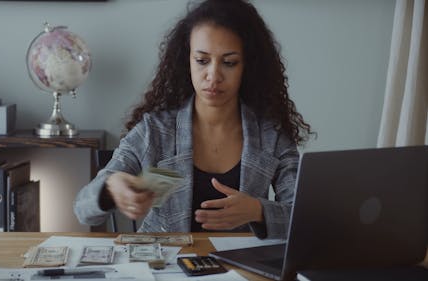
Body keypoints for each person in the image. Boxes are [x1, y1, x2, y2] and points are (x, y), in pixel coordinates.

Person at [74, 0, 312, 239]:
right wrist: (111, 188)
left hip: (241, 271)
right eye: (202, 60)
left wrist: (258, 211)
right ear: (186, 61)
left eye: (229, 62)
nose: (213, 75)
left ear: (248, 67)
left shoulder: (271, 135)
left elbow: (305, 218)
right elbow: (83, 210)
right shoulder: (154, 130)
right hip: (164, 268)